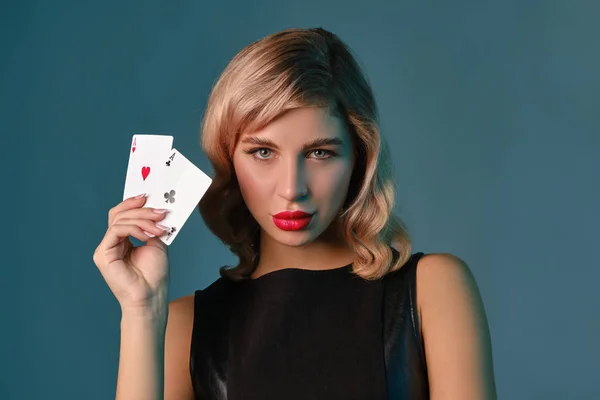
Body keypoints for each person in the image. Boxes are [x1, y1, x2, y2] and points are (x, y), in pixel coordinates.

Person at [93, 27, 497, 399]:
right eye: (262, 152)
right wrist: (141, 311)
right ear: (229, 160)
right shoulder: (186, 326)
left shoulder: (432, 290)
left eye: (320, 152)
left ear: (360, 156)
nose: (292, 188)